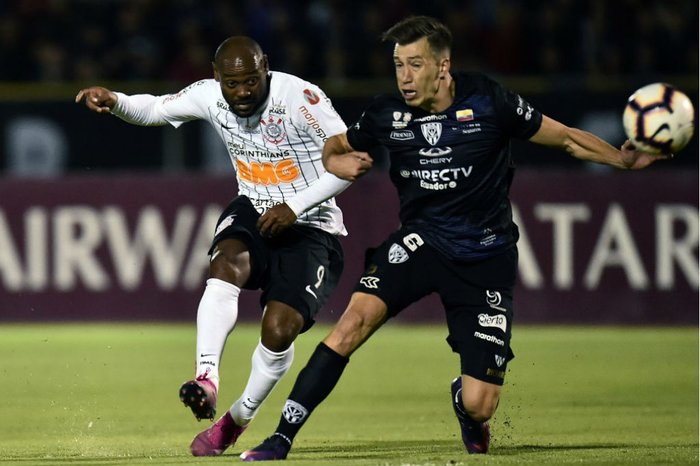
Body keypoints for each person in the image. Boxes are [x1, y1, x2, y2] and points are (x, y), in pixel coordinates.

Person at [239, 16, 671, 461]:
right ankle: (281, 437)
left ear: (443, 67)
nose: (404, 77)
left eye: (415, 64)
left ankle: (466, 408)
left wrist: (621, 159)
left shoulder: (489, 100)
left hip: (485, 257)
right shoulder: (386, 113)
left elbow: (563, 140)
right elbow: (335, 147)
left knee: (481, 404)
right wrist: (338, 163)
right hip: (421, 243)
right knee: (351, 324)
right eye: (398, 65)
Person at [76, 36, 352, 457]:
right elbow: (155, 108)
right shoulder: (208, 96)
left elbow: (348, 163)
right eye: (232, 83)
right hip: (254, 209)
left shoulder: (302, 98)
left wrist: (294, 207)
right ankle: (206, 377)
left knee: (279, 331)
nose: (242, 93)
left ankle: (237, 419)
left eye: (251, 81)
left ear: (266, 68)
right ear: (216, 76)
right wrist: (114, 100)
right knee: (226, 263)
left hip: (313, 225)